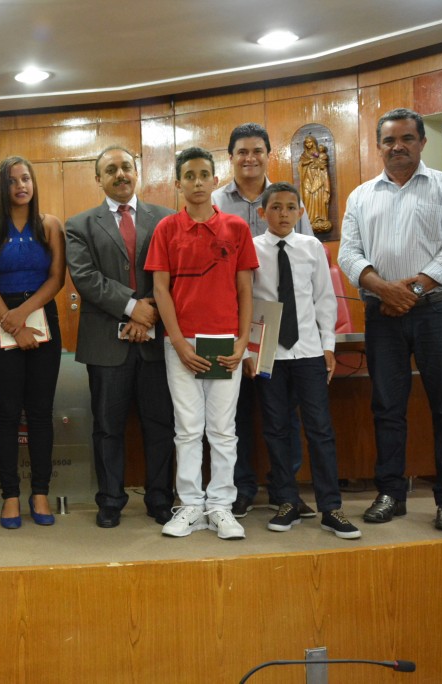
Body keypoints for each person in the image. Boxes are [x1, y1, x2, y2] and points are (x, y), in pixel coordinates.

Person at [337, 108, 442, 531]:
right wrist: (383, 288)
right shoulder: (361, 196)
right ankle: (390, 492)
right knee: (387, 406)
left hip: (437, 311)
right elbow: (349, 253)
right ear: (378, 146)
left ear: (421, 142)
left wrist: (410, 291)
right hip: (383, 314)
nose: (398, 147)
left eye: (407, 138)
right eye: (389, 140)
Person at [147, 147, 257, 540]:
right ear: (178, 183)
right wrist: (177, 342)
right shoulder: (166, 229)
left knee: (223, 429)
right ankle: (191, 504)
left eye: (204, 175)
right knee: (188, 428)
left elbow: (245, 288)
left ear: (215, 180)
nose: (197, 182)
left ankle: (221, 507)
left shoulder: (236, 229)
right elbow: (161, 289)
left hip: (224, 341)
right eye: (189, 176)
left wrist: (243, 340)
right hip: (182, 343)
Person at [65, 145, 176, 529]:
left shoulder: (165, 219)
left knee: (160, 424)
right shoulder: (79, 225)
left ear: (137, 171)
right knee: (107, 426)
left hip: (156, 340)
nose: (120, 175)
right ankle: (111, 499)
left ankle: (161, 498)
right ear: (99, 179)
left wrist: (150, 315)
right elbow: (86, 278)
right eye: (110, 170)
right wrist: (134, 309)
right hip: (105, 344)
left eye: (126, 167)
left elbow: (175, 277)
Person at [245, 182, 360, 539]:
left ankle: (331, 507)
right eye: (275, 207)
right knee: (276, 428)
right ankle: (286, 501)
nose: (283, 214)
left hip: (308, 351)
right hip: (268, 352)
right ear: (262, 213)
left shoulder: (311, 247)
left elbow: (325, 300)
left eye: (290, 207)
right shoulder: (250, 249)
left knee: (320, 429)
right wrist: (250, 351)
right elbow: (245, 302)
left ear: (300, 212)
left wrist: (328, 346)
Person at [211, 123, 312, 520]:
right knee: (229, 411)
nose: (249, 157)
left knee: (282, 411)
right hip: (226, 323)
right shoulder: (216, 201)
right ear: (231, 157)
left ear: (268, 154)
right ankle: (239, 489)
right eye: (241, 151)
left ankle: (286, 490)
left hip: (276, 325)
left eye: (257, 150)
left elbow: (305, 260)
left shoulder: (287, 198)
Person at [0, 156, 65, 529]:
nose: (21, 186)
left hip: (40, 315)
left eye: (26, 178)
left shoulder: (50, 225)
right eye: (13, 181)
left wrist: (22, 316)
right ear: (1, 189)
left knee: (41, 412)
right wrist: (10, 322)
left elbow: (57, 277)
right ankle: (9, 496)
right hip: (2, 318)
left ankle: (39, 491)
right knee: (7, 414)